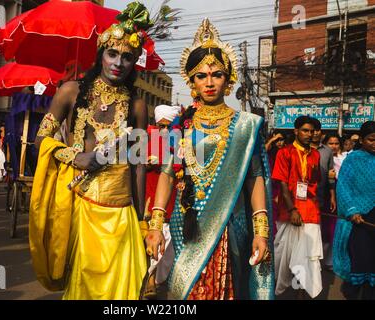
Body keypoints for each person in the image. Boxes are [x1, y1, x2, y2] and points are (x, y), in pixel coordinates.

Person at [29, 2, 161, 300]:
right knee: (84, 285)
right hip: (81, 205)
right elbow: (41, 139)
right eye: (112, 53)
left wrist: (141, 222)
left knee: (123, 289)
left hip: (122, 210)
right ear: (101, 54)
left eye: (127, 57)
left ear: (135, 61)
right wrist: (77, 157)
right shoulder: (70, 91)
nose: (119, 62)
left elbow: (138, 165)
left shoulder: (138, 106)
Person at [146, 19, 274, 300]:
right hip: (186, 225)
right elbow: (167, 174)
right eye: (201, 76)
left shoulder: (245, 126)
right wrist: (155, 227)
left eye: (216, 74)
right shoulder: (182, 123)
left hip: (229, 225)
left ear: (228, 79)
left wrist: (261, 232)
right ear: (191, 82)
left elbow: (255, 178)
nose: (209, 82)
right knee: (186, 290)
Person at [272, 115, 323, 299]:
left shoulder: (315, 154)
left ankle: (300, 294)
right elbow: (284, 184)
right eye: (305, 130)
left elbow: (315, 181)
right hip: (289, 211)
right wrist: (293, 209)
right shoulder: (284, 153)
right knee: (282, 257)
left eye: (312, 131)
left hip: (310, 210)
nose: (310, 134)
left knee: (307, 257)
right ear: (296, 131)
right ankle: (277, 291)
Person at [143, 104, 181, 299]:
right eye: (161, 126)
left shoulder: (181, 144)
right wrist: (146, 163)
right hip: (150, 200)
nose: (164, 130)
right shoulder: (146, 142)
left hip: (173, 201)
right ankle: (149, 279)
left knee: (169, 245)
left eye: (169, 126)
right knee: (150, 240)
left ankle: (158, 278)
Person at [333, 121, 375, 300]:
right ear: (363, 140)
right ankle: (351, 293)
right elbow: (343, 186)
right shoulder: (353, 158)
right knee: (360, 260)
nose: (374, 143)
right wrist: (352, 211)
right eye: (371, 139)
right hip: (359, 219)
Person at [310, 118, 336, 271]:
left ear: (321, 132)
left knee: (318, 231)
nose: (314, 133)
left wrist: (332, 196)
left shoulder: (327, 151)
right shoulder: (298, 150)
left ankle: (316, 262)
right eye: (311, 130)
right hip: (303, 199)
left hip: (322, 196)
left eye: (317, 130)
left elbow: (331, 176)